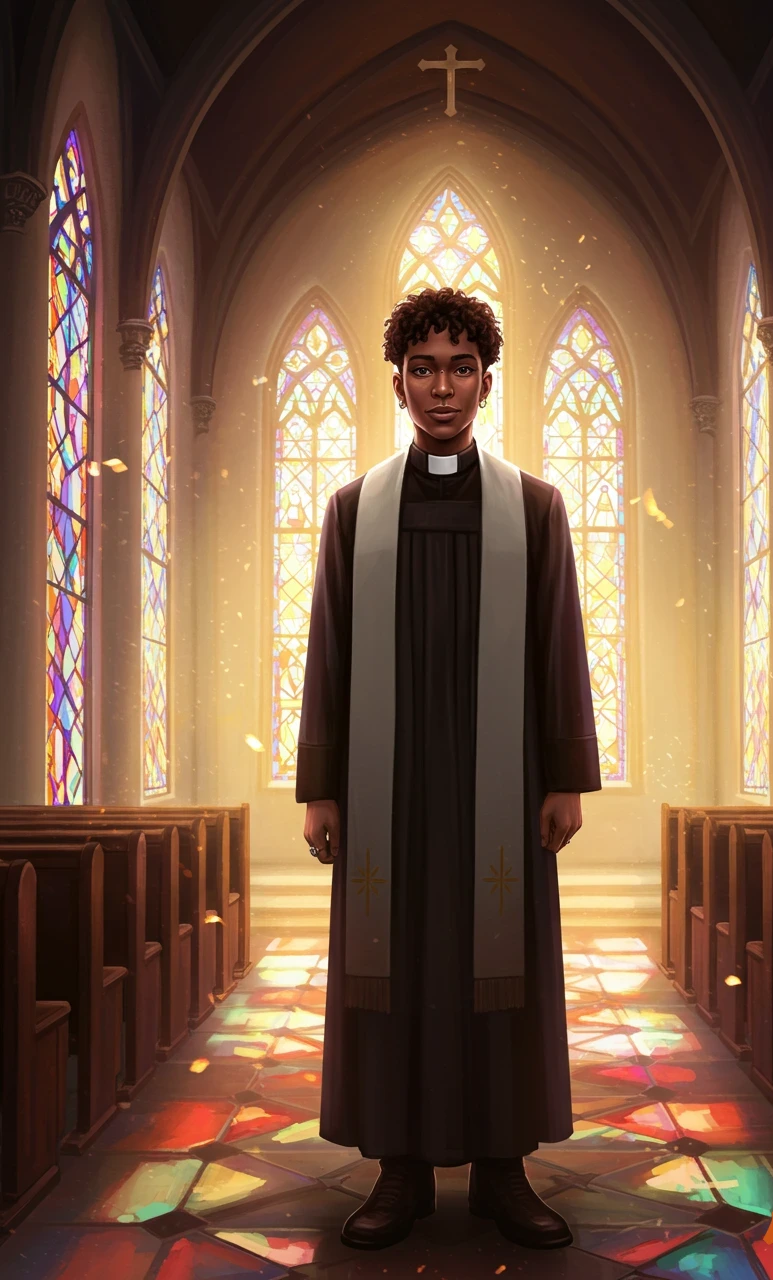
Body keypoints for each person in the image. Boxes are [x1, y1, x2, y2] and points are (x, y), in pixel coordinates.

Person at [295, 285, 601, 1251]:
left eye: (460, 368)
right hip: (388, 791)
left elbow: (559, 644)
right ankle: (400, 1168)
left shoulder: (534, 509)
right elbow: (329, 652)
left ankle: (504, 1167)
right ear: (397, 382)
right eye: (422, 368)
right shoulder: (355, 512)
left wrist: (564, 777)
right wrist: (322, 788)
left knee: (498, 972)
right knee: (395, 970)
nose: (441, 387)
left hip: (500, 788)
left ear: (485, 382)